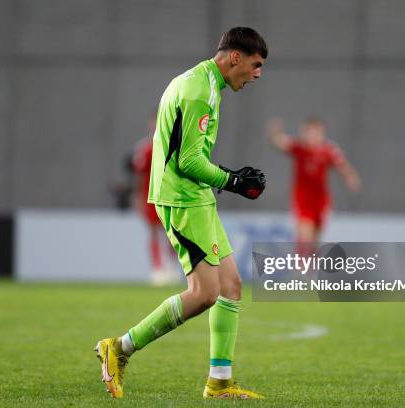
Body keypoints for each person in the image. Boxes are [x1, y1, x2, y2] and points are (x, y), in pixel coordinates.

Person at [95, 27, 268, 399]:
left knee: (231, 286)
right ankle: (119, 347)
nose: (258, 74)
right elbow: (189, 161)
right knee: (204, 293)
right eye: (255, 65)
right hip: (181, 199)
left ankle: (219, 381)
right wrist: (234, 180)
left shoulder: (202, 81)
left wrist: (225, 181)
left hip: (197, 197)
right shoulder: (198, 91)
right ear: (234, 57)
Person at [267, 116, 361, 243]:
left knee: (315, 243)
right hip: (302, 202)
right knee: (305, 241)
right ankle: (301, 262)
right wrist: (274, 133)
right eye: (309, 132)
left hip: (320, 202)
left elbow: (343, 166)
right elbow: (280, 142)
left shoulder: (328, 150)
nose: (313, 136)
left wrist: (351, 177)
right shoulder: (299, 148)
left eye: (316, 132)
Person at [132, 116, 179, 285]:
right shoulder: (145, 149)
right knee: (155, 232)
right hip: (151, 197)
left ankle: (172, 268)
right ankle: (158, 269)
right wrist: (138, 199)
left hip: (171, 196)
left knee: (171, 233)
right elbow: (139, 176)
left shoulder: (174, 146)